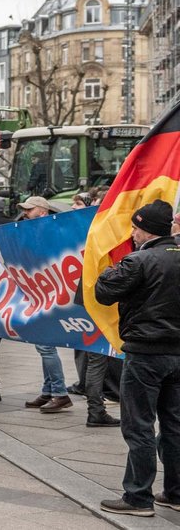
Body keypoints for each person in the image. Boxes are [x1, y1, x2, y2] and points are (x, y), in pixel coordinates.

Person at [94, 200, 180, 517]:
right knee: (174, 425)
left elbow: (103, 291)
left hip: (145, 353)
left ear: (144, 229)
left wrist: (107, 269)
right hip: (177, 353)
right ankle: (175, 492)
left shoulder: (139, 261)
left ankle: (138, 496)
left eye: (134, 228)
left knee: (139, 425)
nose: (131, 233)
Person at [16, 196, 73, 413]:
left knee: (46, 346)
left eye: (29, 210)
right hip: (40, 293)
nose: (25, 214)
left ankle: (59, 392)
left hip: (49, 294)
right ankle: (49, 389)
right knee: (43, 344)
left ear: (42, 212)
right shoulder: (38, 230)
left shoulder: (49, 233)